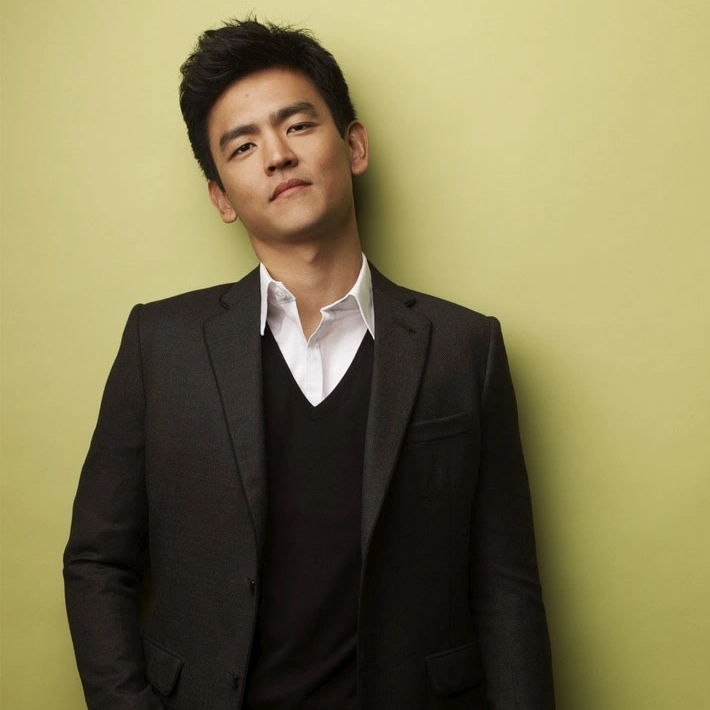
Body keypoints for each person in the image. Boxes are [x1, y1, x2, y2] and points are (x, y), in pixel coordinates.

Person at [63, 17, 555, 710]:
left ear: (353, 146)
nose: (276, 156)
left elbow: (505, 585)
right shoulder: (160, 344)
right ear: (220, 197)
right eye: (242, 146)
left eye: (297, 125)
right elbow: (97, 562)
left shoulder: (464, 347)